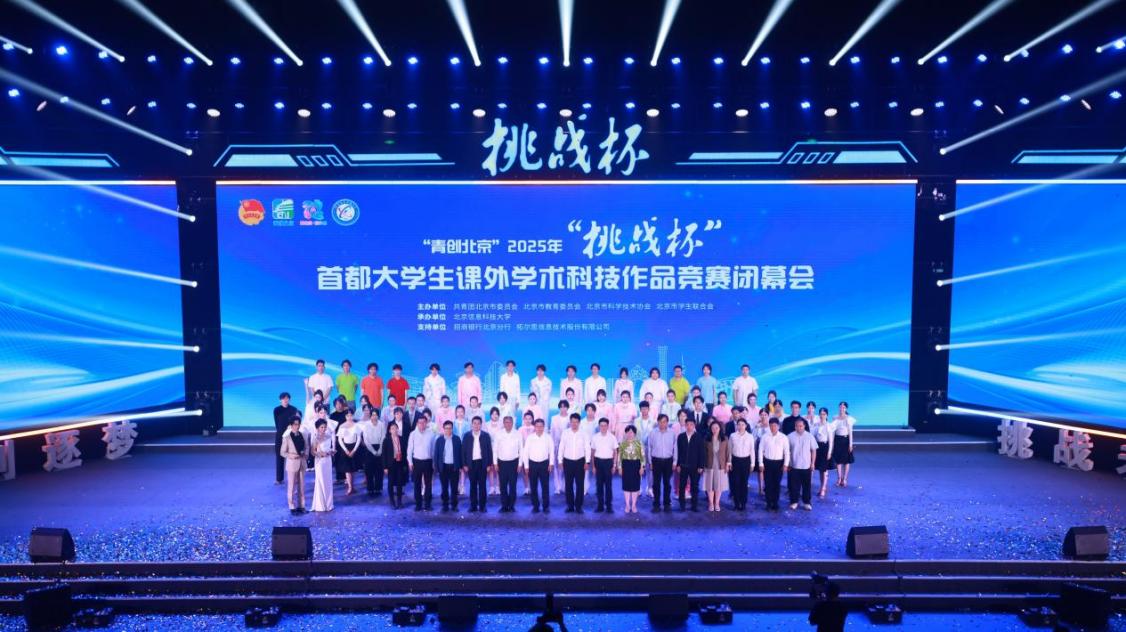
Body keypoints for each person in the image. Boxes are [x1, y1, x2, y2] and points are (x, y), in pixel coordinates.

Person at [520, 418, 555, 513]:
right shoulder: (530, 438)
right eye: (537, 426)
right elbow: (526, 452)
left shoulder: (548, 437)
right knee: (533, 486)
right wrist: (526, 466)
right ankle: (535, 506)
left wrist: (551, 463)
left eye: (541, 426)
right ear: (534, 427)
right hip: (532, 464)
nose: (539, 428)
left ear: (544, 427)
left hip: (544, 464)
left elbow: (551, 451)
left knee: (545, 486)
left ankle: (546, 506)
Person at [559, 413, 591, 513]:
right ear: (570, 422)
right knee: (568, 484)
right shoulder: (565, 433)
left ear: (579, 422)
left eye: (576, 422)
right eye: (572, 422)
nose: (574, 424)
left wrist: (587, 461)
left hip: (580, 461)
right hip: (567, 461)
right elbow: (561, 447)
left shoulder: (584, 433)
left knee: (580, 484)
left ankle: (578, 506)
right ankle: (570, 506)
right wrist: (560, 461)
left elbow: (587, 448)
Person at [462, 416, 493, 512]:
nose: (476, 425)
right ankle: (473, 505)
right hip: (471, 464)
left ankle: (483, 506)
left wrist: (489, 464)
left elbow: (489, 450)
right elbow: (463, 451)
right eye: (474, 423)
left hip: (482, 463)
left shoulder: (486, 436)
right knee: (473, 485)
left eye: (478, 423)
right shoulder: (467, 436)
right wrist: (464, 464)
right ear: (471, 424)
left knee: (482, 485)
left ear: (481, 425)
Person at [758, 418, 790, 511]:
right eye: (771, 426)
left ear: (778, 426)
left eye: (775, 426)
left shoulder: (784, 437)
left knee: (777, 484)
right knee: (768, 484)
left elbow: (787, 452)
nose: (773, 427)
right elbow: (760, 450)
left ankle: (775, 503)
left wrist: (786, 464)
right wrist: (761, 463)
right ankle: (768, 503)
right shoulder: (765, 436)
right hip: (767, 462)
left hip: (779, 463)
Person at [647, 413, 677, 512]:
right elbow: (649, 448)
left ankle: (667, 504)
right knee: (656, 484)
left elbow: (675, 448)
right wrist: (650, 462)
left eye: (664, 422)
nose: (662, 424)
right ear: (658, 422)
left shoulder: (672, 433)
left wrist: (675, 462)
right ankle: (656, 504)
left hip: (668, 461)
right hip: (656, 461)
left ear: (667, 422)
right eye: (660, 422)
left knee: (667, 483)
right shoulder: (652, 433)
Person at [406, 414, 436, 511]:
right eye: (420, 423)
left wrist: (434, 463)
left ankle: (428, 504)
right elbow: (409, 449)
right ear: (417, 424)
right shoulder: (413, 434)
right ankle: (418, 504)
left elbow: (433, 450)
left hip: (428, 461)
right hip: (416, 461)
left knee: (428, 484)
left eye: (423, 422)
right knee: (417, 484)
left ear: (426, 423)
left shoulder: (431, 434)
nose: (422, 424)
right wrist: (410, 462)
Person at [493, 415, 523, 513]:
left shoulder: (518, 434)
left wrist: (520, 464)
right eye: (506, 422)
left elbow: (521, 450)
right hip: (502, 463)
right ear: (503, 423)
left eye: (510, 422)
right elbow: (495, 450)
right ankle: (504, 506)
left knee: (513, 485)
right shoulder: (498, 434)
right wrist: (495, 463)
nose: (508, 424)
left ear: (512, 423)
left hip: (514, 463)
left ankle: (512, 505)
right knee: (503, 485)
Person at [676, 418, 706, 512]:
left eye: (691, 425)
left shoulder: (699, 437)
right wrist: (678, 464)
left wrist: (701, 466)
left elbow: (702, 453)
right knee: (682, 486)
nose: (689, 427)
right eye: (687, 424)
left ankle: (694, 505)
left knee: (694, 486)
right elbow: (678, 452)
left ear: (694, 426)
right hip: (683, 465)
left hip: (695, 466)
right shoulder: (681, 437)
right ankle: (682, 505)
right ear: (685, 425)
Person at [788, 418, 818, 511]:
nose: (799, 428)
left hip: (806, 465)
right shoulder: (790, 436)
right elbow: (787, 451)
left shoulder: (810, 436)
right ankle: (794, 502)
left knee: (806, 485)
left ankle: (806, 502)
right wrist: (788, 463)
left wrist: (813, 463)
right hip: (794, 465)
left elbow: (813, 450)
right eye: (797, 426)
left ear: (804, 426)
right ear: (795, 426)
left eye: (801, 426)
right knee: (794, 486)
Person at [280, 416, 308, 514]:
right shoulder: (287, 438)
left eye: (298, 424)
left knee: (301, 486)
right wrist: (291, 456)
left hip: (302, 462)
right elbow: (282, 452)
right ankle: (292, 506)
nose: (297, 426)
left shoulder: (303, 435)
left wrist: (305, 454)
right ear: (291, 425)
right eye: (295, 424)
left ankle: (301, 506)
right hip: (292, 463)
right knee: (291, 486)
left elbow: (306, 447)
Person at [590, 418, 619, 513]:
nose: (603, 427)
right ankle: (600, 506)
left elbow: (615, 452)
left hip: (608, 463)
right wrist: (593, 466)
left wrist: (614, 465)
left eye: (605, 425)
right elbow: (592, 452)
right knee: (599, 485)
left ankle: (609, 506)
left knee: (608, 485)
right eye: (601, 426)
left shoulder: (612, 437)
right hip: (598, 462)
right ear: (599, 426)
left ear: (608, 426)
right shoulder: (595, 437)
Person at [434, 420, 463, 512]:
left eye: (450, 428)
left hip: (454, 467)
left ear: (452, 429)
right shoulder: (439, 440)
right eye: (446, 428)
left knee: (454, 488)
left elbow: (460, 453)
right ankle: (445, 505)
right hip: (443, 467)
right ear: (443, 429)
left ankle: (454, 505)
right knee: (444, 487)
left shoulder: (457, 439)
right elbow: (436, 454)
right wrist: (437, 467)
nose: (448, 430)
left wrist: (460, 466)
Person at [703, 420, 731, 512]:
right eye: (713, 428)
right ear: (710, 429)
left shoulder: (724, 438)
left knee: (719, 485)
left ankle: (717, 503)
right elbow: (703, 452)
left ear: (720, 429)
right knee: (709, 485)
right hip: (709, 464)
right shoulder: (707, 439)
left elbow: (728, 452)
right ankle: (711, 503)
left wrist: (728, 463)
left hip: (721, 464)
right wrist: (702, 465)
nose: (714, 430)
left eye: (716, 428)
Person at [729, 417, 755, 510]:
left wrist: (752, 464)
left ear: (746, 426)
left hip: (746, 461)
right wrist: (729, 462)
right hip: (735, 461)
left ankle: (743, 503)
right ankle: (736, 504)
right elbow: (730, 450)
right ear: (736, 426)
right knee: (735, 483)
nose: (740, 426)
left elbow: (752, 451)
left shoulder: (750, 436)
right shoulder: (732, 436)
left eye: (742, 425)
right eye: (739, 425)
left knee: (744, 483)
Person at [359, 405, 386, 497]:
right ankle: (370, 488)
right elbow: (366, 439)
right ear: (370, 415)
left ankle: (378, 488)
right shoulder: (366, 425)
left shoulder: (381, 424)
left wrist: (380, 449)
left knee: (379, 470)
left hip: (380, 448)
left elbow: (383, 437)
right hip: (369, 449)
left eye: (376, 415)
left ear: (378, 415)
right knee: (369, 470)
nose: (374, 417)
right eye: (373, 415)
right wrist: (373, 451)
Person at [618, 425, 645, 513]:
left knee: (635, 486)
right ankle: (627, 505)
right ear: (625, 433)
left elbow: (643, 456)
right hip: (626, 465)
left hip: (636, 465)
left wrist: (642, 467)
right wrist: (620, 467)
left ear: (635, 433)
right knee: (626, 486)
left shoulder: (639, 443)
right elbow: (619, 457)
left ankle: (633, 505)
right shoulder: (622, 444)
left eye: (631, 432)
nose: (630, 434)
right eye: (628, 432)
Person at [311, 419, 335, 512]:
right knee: (321, 481)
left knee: (328, 482)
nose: (324, 429)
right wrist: (320, 454)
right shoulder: (316, 438)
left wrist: (331, 451)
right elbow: (312, 452)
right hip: (320, 462)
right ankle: (320, 505)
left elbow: (329, 448)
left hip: (328, 461)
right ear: (317, 428)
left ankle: (328, 504)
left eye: (325, 427)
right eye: (322, 427)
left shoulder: (328, 436)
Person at [381, 421, 407, 508]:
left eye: (396, 428)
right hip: (390, 464)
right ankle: (392, 501)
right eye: (392, 429)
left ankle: (399, 501)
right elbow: (384, 455)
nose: (394, 430)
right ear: (389, 430)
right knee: (391, 483)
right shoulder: (386, 440)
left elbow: (405, 452)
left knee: (400, 482)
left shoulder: (402, 439)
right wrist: (385, 467)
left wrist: (405, 464)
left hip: (400, 463)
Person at [336, 410, 362, 495]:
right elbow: (340, 439)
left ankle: (352, 486)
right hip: (345, 448)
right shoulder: (342, 426)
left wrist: (354, 450)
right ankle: (350, 487)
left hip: (354, 447)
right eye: (348, 416)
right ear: (345, 417)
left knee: (353, 468)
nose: (349, 417)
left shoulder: (356, 425)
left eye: (351, 415)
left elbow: (359, 438)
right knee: (347, 469)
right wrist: (345, 450)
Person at [811, 407, 835, 498]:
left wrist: (829, 452)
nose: (822, 416)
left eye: (824, 414)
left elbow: (831, 441)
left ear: (827, 415)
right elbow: (813, 436)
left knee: (824, 470)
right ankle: (822, 486)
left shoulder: (829, 426)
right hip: (818, 448)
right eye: (820, 414)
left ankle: (823, 488)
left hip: (825, 447)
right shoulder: (816, 425)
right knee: (820, 470)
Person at [634, 402, 656, 496]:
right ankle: (638, 487)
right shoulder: (636, 421)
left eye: (646, 408)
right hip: (638, 446)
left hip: (649, 447)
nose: (644, 410)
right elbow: (633, 434)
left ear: (649, 409)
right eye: (642, 409)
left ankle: (650, 488)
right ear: (640, 410)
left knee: (650, 467)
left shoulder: (654, 422)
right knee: (638, 467)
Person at [833, 401, 856, 487]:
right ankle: (839, 478)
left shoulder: (849, 418)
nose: (842, 408)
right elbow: (833, 430)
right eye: (840, 407)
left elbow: (850, 432)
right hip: (837, 440)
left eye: (843, 407)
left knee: (846, 461)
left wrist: (850, 444)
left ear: (846, 408)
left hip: (846, 440)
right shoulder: (835, 417)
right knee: (838, 461)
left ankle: (845, 479)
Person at [273, 392, 294, 485]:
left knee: (292, 457)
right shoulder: (276, 410)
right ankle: (279, 479)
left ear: (289, 399)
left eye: (287, 398)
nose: (285, 400)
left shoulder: (293, 409)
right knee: (279, 457)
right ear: (280, 400)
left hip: (291, 437)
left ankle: (293, 479)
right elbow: (277, 423)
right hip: (280, 436)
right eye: (283, 398)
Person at [550, 401, 571, 495]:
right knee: (556, 466)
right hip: (557, 444)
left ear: (567, 408)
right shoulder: (554, 418)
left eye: (565, 406)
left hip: (568, 446)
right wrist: (551, 446)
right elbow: (552, 433)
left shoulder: (571, 418)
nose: (563, 408)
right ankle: (557, 486)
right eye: (561, 407)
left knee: (566, 466)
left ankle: (564, 485)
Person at [485, 407, 504, 495]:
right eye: (493, 414)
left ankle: (498, 487)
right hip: (489, 448)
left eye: (496, 414)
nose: (494, 415)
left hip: (500, 448)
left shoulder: (502, 424)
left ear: (498, 415)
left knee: (498, 468)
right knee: (491, 468)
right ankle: (492, 487)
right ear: (490, 415)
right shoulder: (486, 424)